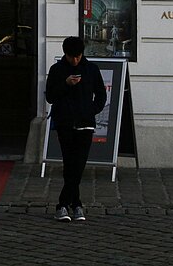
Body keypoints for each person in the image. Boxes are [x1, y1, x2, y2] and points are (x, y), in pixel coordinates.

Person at [45, 36, 107, 222]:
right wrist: (65, 84)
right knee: (69, 163)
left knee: (79, 164)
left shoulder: (91, 69)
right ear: (65, 54)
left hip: (85, 123)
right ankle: (75, 205)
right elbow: (50, 97)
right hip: (64, 123)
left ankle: (64, 204)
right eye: (71, 56)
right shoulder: (57, 70)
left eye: (78, 56)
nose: (75, 60)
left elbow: (101, 95)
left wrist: (91, 110)